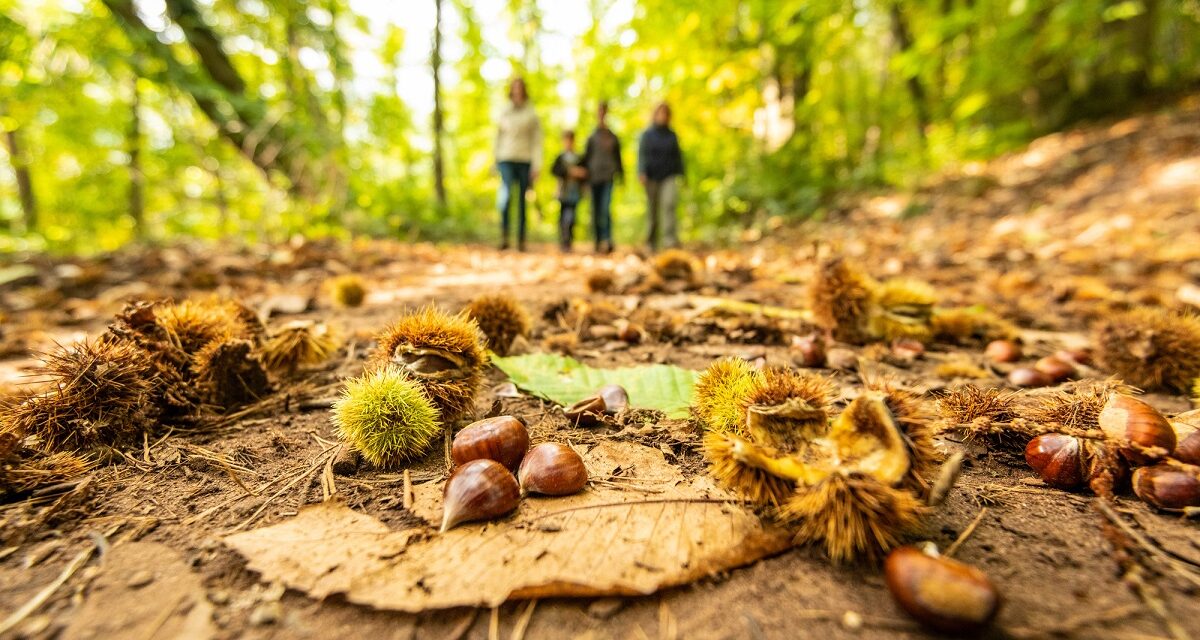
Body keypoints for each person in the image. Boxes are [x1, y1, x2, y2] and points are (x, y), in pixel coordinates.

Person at [494, 77, 542, 251]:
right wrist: (495, 160)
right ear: (511, 90)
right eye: (514, 87)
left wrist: (537, 164)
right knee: (505, 197)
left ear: (524, 90)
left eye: (520, 87)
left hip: (525, 160)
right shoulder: (504, 111)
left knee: (522, 201)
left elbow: (537, 141)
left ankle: (521, 240)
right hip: (506, 158)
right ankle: (504, 236)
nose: (517, 90)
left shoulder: (531, 113)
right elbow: (497, 137)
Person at [637, 102, 684, 252]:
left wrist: (682, 173)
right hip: (651, 176)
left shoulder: (672, 135)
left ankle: (669, 241)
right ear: (655, 114)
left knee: (669, 205)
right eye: (660, 113)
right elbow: (642, 155)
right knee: (653, 210)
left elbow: (678, 156)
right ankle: (651, 242)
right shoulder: (647, 134)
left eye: (666, 113)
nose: (663, 116)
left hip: (668, 175)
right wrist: (641, 171)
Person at [581, 101, 623, 254]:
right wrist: (584, 181)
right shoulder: (591, 137)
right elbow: (585, 159)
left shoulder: (612, 137)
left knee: (605, 208)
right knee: (595, 210)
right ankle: (597, 241)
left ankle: (607, 239)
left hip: (608, 176)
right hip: (593, 177)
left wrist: (621, 176)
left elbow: (618, 157)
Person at [550, 130, 587, 252]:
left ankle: (569, 240)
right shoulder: (560, 158)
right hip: (563, 192)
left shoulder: (579, 158)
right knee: (563, 216)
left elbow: (586, 173)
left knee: (572, 217)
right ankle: (563, 240)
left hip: (574, 192)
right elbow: (554, 171)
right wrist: (569, 172)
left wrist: (581, 174)